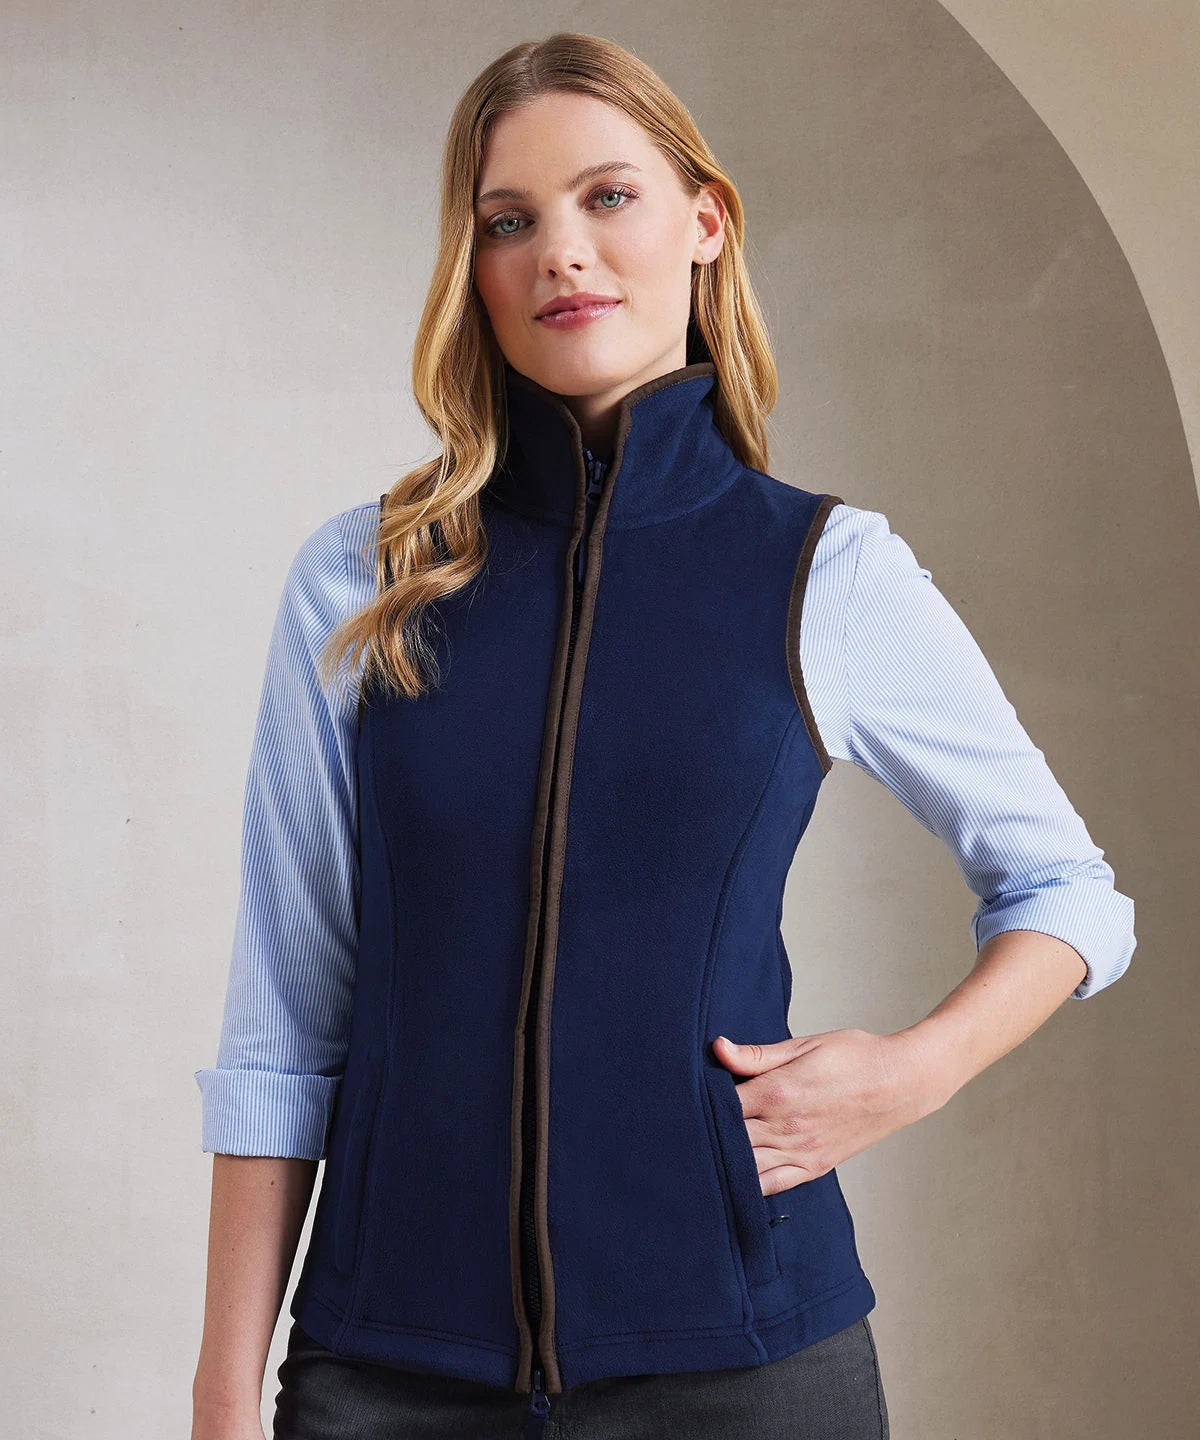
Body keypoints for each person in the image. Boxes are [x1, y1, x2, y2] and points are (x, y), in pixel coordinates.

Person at [190, 32, 1136, 1440]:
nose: (561, 252)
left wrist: (911, 1071)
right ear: (473, 268)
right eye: (509, 221)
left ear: (706, 222)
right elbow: (286, 1016)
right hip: (388, 1369)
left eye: (609, 197)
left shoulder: (823, 571)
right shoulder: (363, 578)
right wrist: (224, 1386)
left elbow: (1070, 894)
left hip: (743, 1367)